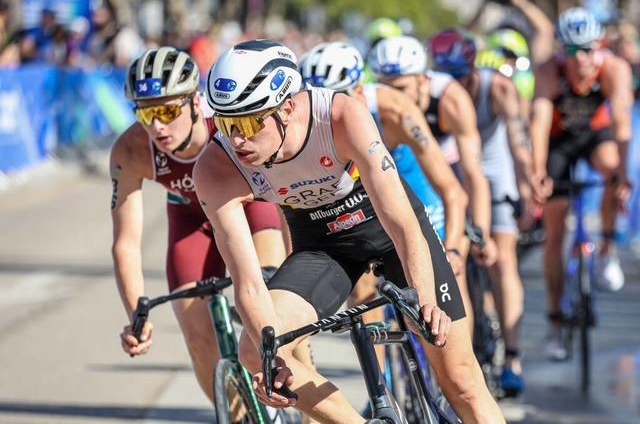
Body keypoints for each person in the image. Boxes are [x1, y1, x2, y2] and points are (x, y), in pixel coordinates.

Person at [194, 39, 505, 424]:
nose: (237, 140)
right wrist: (272, 358)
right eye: (226, 124)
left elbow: (403, 224)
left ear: (287, 107)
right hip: (323, 245)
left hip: (387, 228)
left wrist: (424, 299)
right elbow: (248, 286)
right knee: (255, 350)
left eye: (247, 122)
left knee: (460, 380)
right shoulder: (215, 167)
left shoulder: (339, 116)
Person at [110, 47, 287, 405]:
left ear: (195, 100)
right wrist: (136, 313)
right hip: (191, 218)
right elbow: (126, 242)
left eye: (166, 110)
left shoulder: (226, 122)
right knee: (196, 335)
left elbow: (283, 183)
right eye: (145, 113)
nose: (156, 125)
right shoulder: (131, 149)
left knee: (278, 311)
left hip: (251, 207)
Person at [298, 41, 471, 375]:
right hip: (365, 206)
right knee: (362, 292)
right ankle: (381, 385)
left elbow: (451, 190)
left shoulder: (394, 110)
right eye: (317, 102)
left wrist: (455, 247)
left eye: (339, 97)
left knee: (446, 285)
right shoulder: (310, 128)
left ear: (359, 91)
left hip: (415, 195)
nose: (327, 112)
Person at [429, 27, 534, 396]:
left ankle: (513, 358)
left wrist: (526, 188)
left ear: (472, 69)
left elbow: (520, 144)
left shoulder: (498, 88)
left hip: (494, 168)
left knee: (502, 260)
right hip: (455, 170)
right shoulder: (434, 92)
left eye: (461, 78)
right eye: (447, 78)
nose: (454, 86)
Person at [530, 7, 633, 360]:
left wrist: (623, 175)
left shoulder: (613, 69)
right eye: (574, 51)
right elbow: (540, 122)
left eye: (589, 49)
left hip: (594, 135)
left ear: (600, 45)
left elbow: (621, 121)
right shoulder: (550, 70)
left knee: (611, 169)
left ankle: (606, 249)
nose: (582, 59)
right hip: (559, 140)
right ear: (562, 51)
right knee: (555, 231)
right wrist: (537, 170)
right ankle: (556, 323)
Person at [367, 36, 498, 267]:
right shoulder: (382, 107)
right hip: (412, 167)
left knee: (455, 263)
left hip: (452, 164)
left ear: (422, 79)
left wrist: (481, 230)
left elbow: (472, 173)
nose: (392, 97)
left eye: (400, 88)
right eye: (385, 87)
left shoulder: (451, 99)